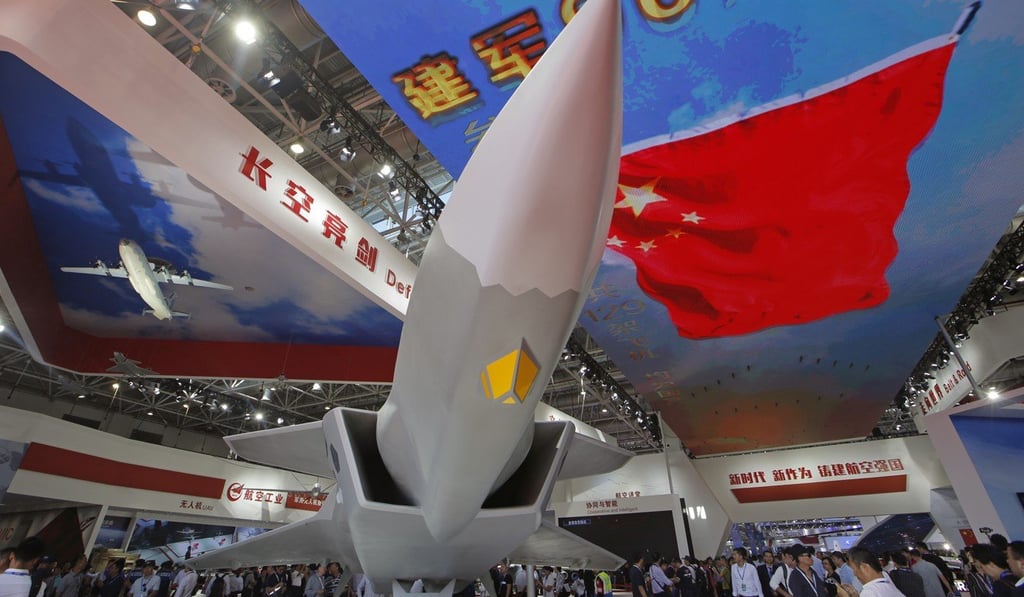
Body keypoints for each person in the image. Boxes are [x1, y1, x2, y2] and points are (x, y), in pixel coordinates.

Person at [835, 548, 903, 597]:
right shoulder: (888, 585)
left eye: (854, 569)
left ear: (864, 567)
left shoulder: (870, 592)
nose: (855, 574)